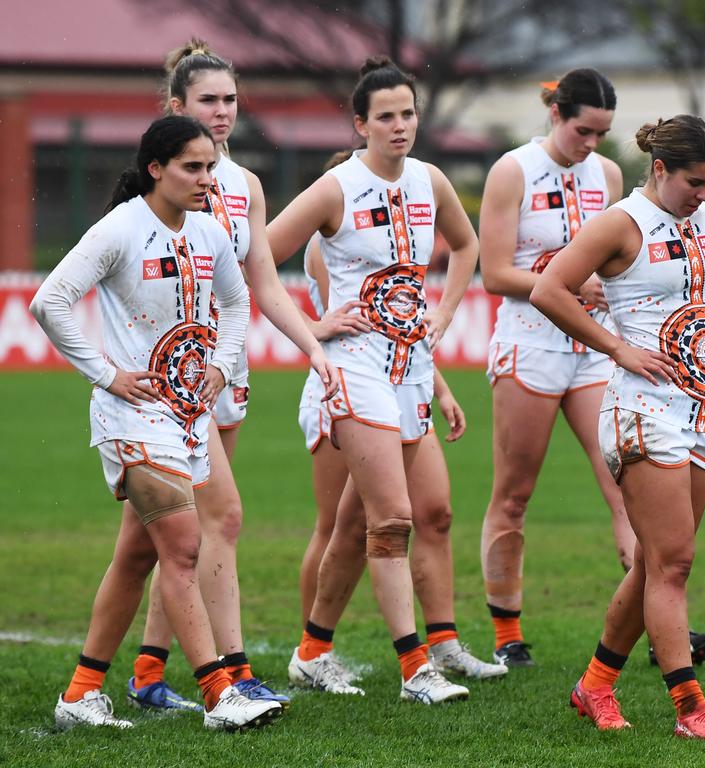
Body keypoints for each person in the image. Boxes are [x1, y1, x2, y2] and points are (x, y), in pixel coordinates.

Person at [32, 116, 281, 731]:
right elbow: (49, 301)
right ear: (156, 168)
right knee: (184, 548)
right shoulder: (120, 229)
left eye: (209, 167)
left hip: (187, 417)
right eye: (192, 167)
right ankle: (222, 695)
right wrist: (106, 373)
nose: (205, 178)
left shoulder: (207, 231)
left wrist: (223, 367)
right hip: (131, 417)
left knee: (137, 559)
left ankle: (81, 694)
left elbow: (236, 299)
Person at [478, 69, 705, 668]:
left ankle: (658, 611)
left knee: (626, 492)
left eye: (603, 133)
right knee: (514, 496)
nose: (592, 144)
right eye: (584, 130)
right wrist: (574, 281)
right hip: (531, 346)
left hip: (599, 349)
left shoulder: (610, 175)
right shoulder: (513, 170)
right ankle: (508, 632)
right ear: (556, 113)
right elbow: (495, 274)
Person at [122, 39, 339, 713]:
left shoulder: (244, 186)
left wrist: (313, 344)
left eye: (230, 100)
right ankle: (233, 674)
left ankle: (142, 675)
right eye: (207, 100)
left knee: (157, 538)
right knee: (220, 519)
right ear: (176, 106)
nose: (221, 112)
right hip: (166, 385)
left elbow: (264, 287)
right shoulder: (157, 184)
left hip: (225, 376)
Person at [531, 115, 705, 740]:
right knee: (674, 562)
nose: (703, 195)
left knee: (657, 563)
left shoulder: (702, 218)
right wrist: (617, 349)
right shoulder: (619, 225)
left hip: (700, 409)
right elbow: (550, 289)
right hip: (641, 409)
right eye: (694, 182)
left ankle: (595, 685)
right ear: (659, 169)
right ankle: (690, 709)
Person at [266, 56, 479, 704]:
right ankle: (418, 669)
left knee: (367, 524)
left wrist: (442, 316)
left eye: (408, 113)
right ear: (360, 124)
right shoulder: (336, 189)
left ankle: (311, 652)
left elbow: (466, 247)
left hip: (409, 370)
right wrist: (313, 326)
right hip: (353, 369)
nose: (400, 126)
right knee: (392, 519)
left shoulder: (431, 181)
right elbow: (255, 255)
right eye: (385, 116)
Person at [286, 213, 506, 696]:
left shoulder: (399, 239)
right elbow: (266, 271)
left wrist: (438, 386)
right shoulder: (333, 241)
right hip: (345, 385)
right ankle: (324, 650)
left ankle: (438, 642)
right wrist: (313, 327)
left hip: (403, 384)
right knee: (342, 527)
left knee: (433, 512)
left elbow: (398, 332)